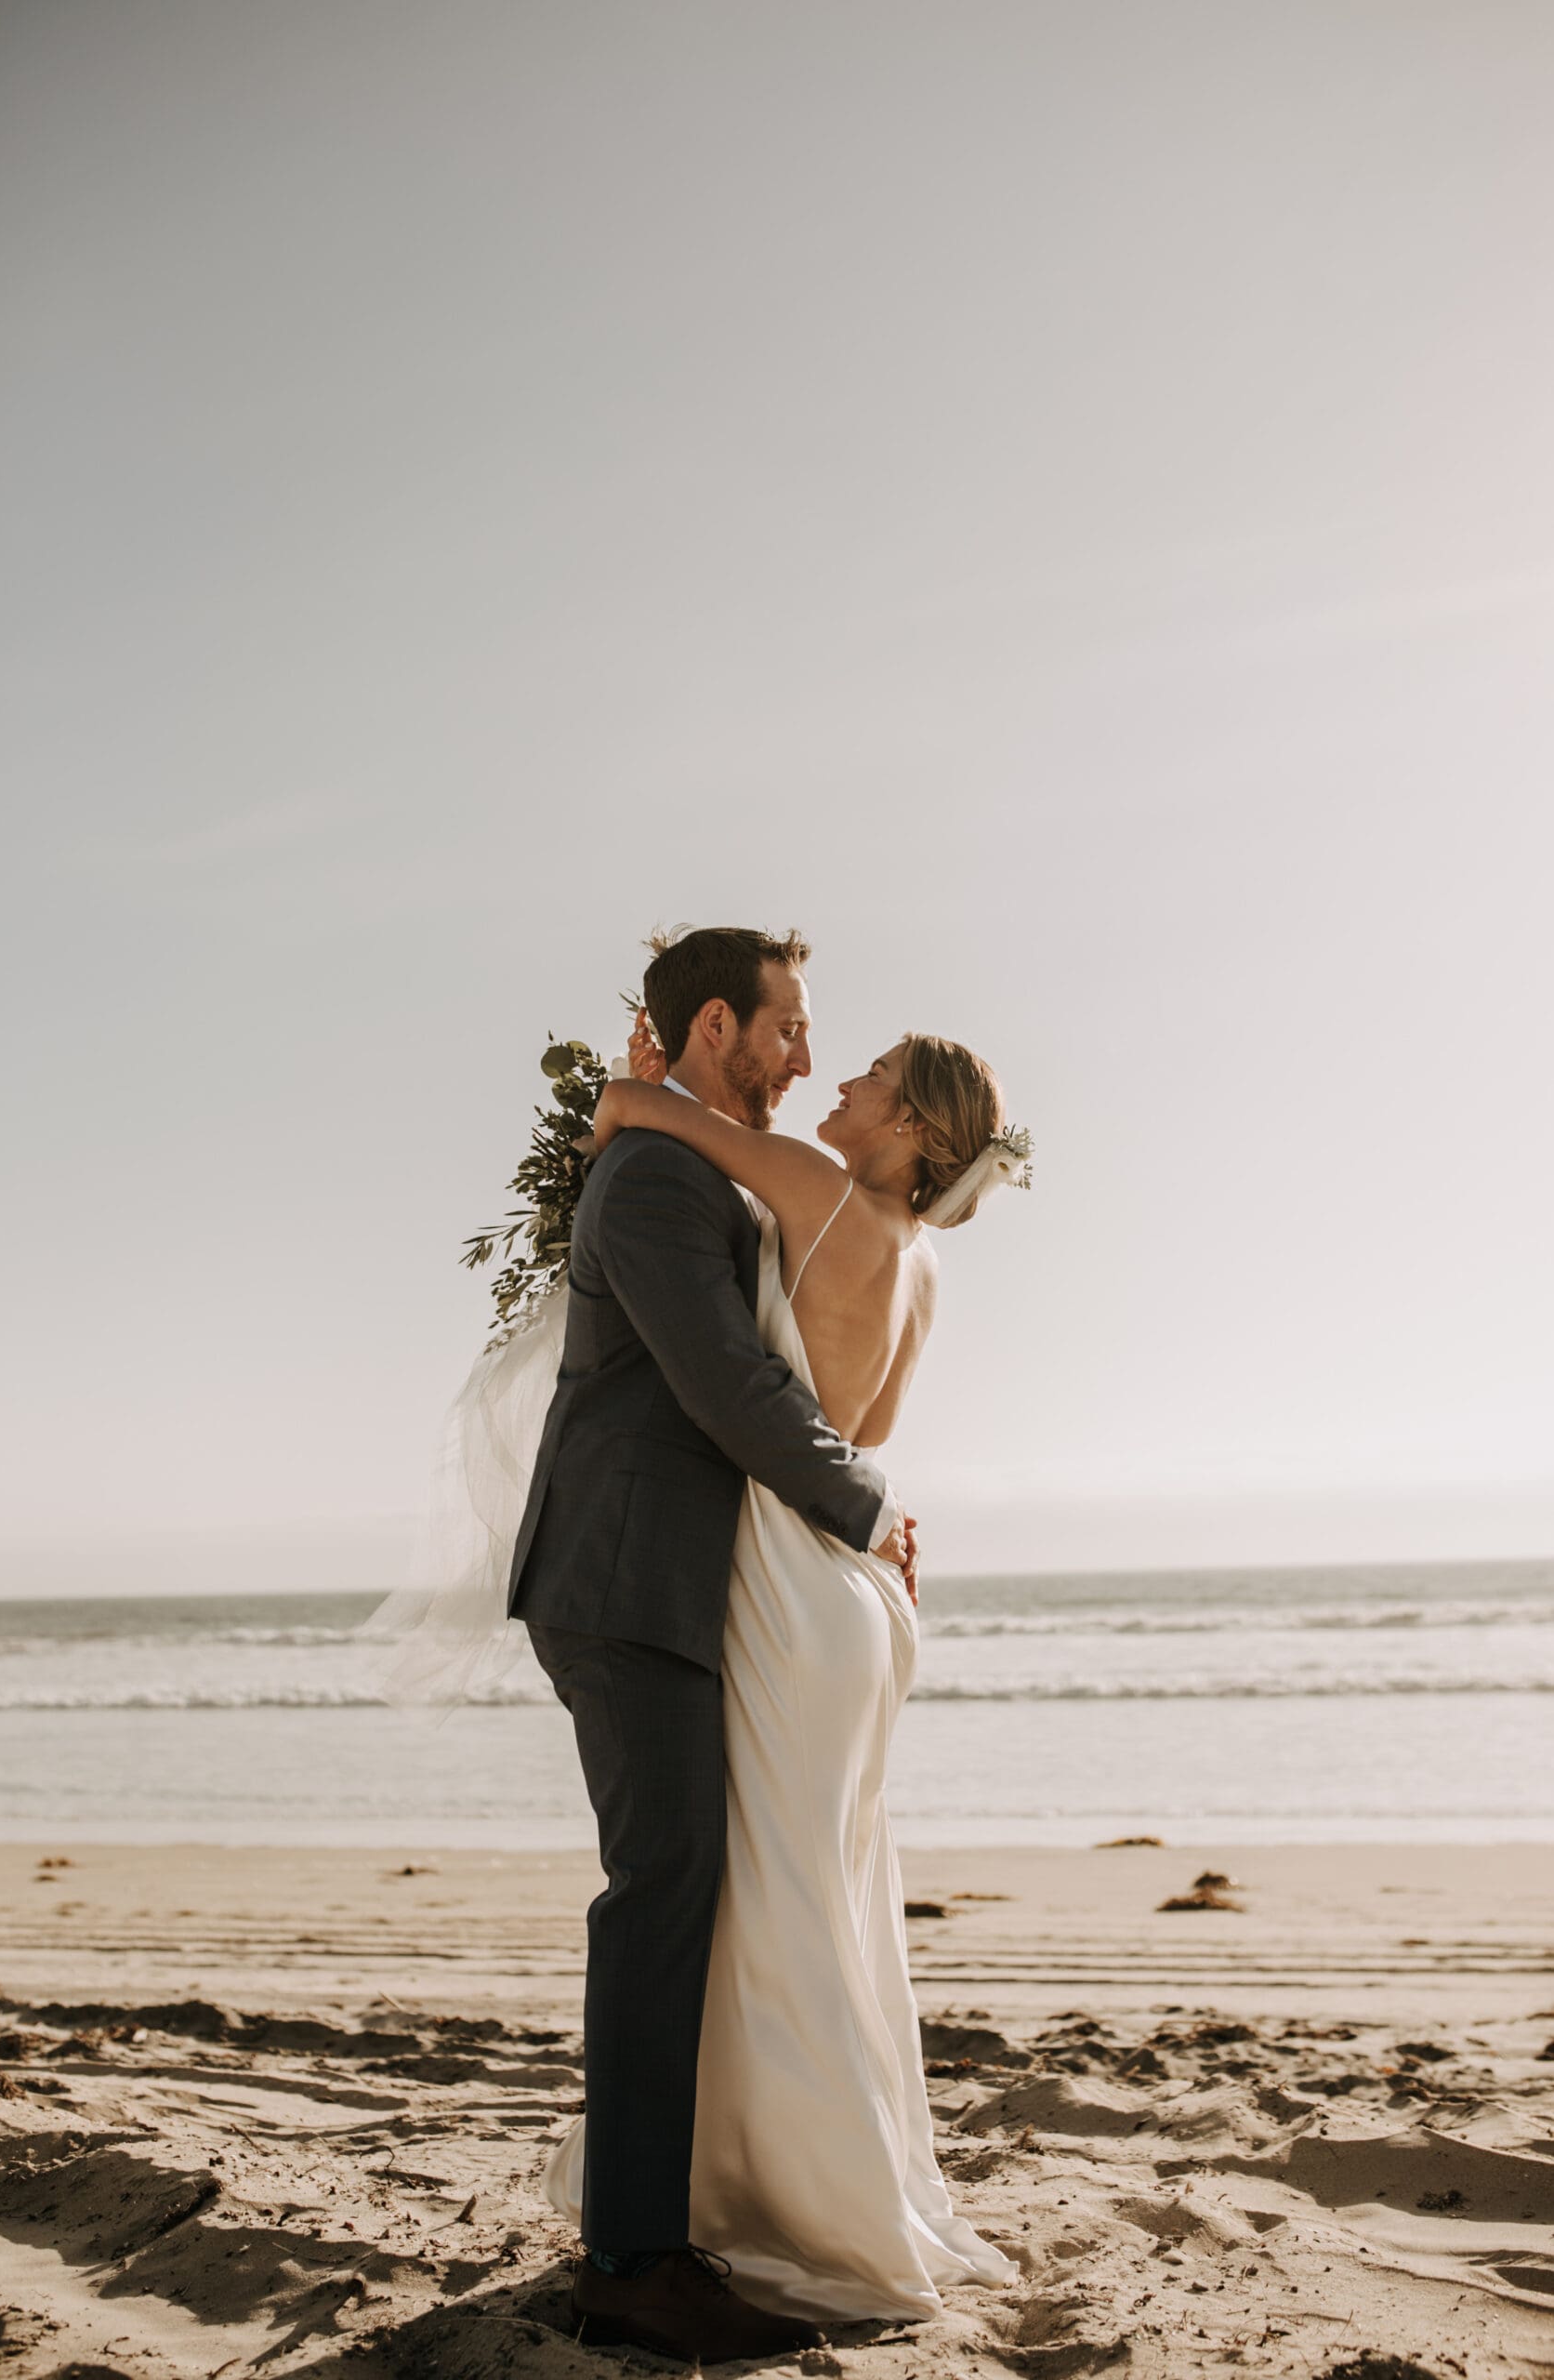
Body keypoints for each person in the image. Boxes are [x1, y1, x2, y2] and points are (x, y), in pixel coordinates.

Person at [541, 1013, 1024, 2328]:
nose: (843, 1081)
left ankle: (769, 2201)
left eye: (867, 1078)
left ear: (912, 1130)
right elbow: (856, 1428)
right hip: (864, 1597)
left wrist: (639, 1088)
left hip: (788, 1577)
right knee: (829, 1888)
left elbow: (654, 1130)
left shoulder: (815, 1191)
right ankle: (827, 2183)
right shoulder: (921, 1263)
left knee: (771, 1902)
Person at [508, 927, 916, 2361]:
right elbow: (728, 1385)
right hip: (624, 1584)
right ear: (712, 1029)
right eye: (787, 1025)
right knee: (663, 1892)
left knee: (687, 1892)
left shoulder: (693, 1163)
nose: (804, 1057)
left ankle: (666, 2215)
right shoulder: (659, 1177)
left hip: (677, 1583)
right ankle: (628, 2260)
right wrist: (861, 1505)